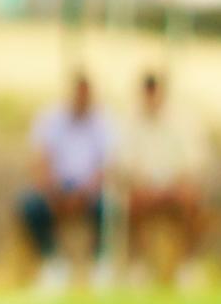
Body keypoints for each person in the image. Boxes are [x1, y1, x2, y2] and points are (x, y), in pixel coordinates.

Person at [18, 72, 114, 291]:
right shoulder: (51, 119)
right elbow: (40, 159)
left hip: (89, 191)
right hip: (56, 189)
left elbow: (107, 166)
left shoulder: (102, 123)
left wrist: (84, 192)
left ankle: (99, 265)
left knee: (108, 208)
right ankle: (52, 262)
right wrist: (53, 190)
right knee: (31, 206)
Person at [120, 72, 207, 288]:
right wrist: (145, 186)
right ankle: (138, 266)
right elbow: (126, 165)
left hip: (175, 188)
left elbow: (192, 164)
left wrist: (172, 187)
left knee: (191, 201)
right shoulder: (130, 121)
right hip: (145, 189)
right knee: (132, 202)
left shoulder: (183, 121)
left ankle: (187, 267)